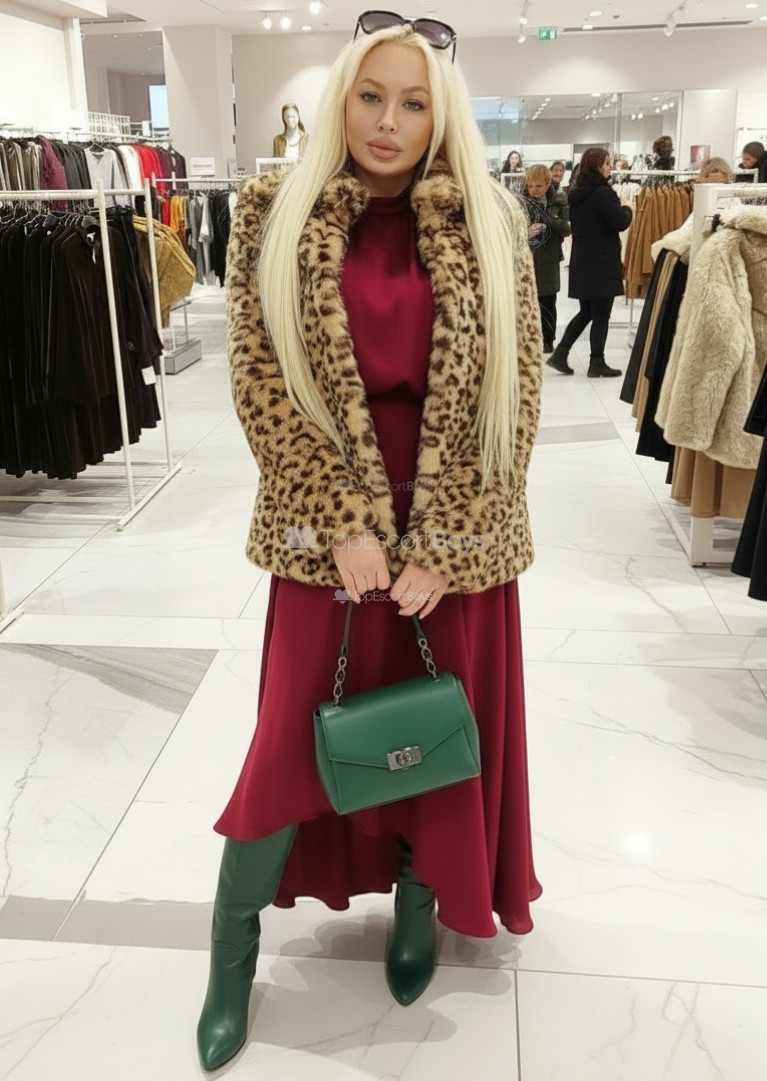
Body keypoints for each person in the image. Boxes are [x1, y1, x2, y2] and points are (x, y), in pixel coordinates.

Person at [196, 12, 543, 1072]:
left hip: (452, 539)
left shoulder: (489, 220)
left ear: (440, 115)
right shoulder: (273, 213)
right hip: (324, 533)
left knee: (436, 733)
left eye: (413, 102)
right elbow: (259, 380)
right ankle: (230, 950)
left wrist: (447, 539)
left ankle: (416, 904)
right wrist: (341, 519)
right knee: (285, 746)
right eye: (370, 96)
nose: (388, 121)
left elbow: (516, 388)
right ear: (340, 98)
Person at [547, 146, 632, 377]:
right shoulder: (602, 192)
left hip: (583, 259)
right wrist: (628, 209)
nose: (610, 167)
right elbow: (619, 221)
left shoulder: (577, 192)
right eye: (606, 163)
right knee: (601, 314)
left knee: (587, 312)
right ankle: (596, 362)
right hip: (602, 261)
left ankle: (561, 354)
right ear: (597, 166)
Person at [521, 163, 571, 352]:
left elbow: (567, 229)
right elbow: (509, 231)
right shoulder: (520, 202)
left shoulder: (559, 200)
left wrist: (548, 219)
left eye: (539, 186)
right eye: (530, 186)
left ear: (548, 184)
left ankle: (548, 340)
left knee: (548, 301)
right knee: (526, 300)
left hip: (550, 258)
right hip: (526, 259)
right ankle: (527, 338)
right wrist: (525, 233)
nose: (534, 190)